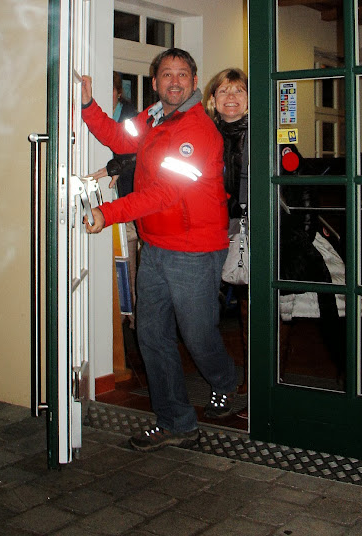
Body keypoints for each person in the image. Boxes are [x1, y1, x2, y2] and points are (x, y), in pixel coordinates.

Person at [81, 48, 237, 452]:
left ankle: (226, 382)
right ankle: (176, 422)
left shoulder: (197, 131)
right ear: (154, 82)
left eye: (182, 74)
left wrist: (108, 212)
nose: (173, 81)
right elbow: (118, 138)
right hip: (155, 246)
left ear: (193, 81)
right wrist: (87, 105)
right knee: (151, 334)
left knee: (197, 334)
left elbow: (165, 193)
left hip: (194, 249)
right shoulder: (153, 117)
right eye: (166, 74)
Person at [204, 68, 249, 408]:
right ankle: (221, 374)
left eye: (238, 91)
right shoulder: (204, 133)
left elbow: (295, 176)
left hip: (254, 226)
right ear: (213, 100)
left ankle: (257, 374)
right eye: (224, 92)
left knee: (254, 304)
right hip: (213, 227)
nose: (231, 98)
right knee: (205, 305)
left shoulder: (268, 133)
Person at [89, 72, 138, 324]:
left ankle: (131, 319)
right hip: (102, 199)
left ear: (119, 92)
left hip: (129, 199)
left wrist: (120, 166)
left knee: (127, 262)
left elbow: (138, 152)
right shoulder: (99, 116)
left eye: (111, 89)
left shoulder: (130, 116)